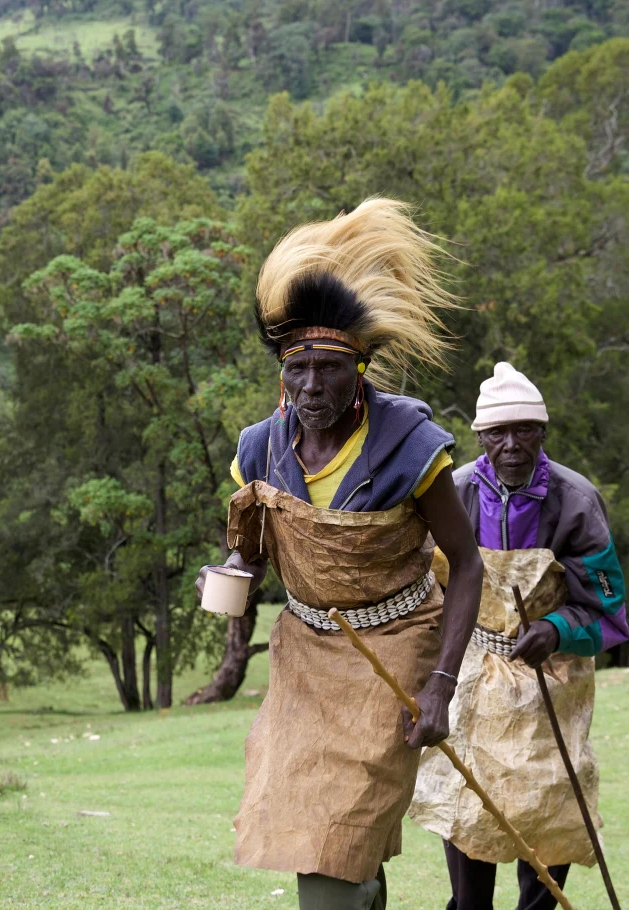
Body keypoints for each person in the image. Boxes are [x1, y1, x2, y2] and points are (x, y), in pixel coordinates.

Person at [195, 198, 484, 910]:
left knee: (331, 853)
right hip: (304, 662)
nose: (312, 387)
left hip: (393, 655)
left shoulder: (409, 446)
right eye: (298, 368)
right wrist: (234, 575)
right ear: (281, 371)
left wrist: (441, 686)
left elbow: (467, 563)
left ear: (360, 366)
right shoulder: (259, 448)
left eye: (330, 368)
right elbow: (252, 553)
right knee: (318, 835)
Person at [409, 362, 629, 910]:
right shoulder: (453, 491)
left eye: (525, 430)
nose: (511, 445)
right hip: (472, 673)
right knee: (472, 799)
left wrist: (556, 631)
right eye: (498, 433)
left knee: (549, 798)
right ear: (480, 436)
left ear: (542, 433)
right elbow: (423, 583)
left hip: (550, 679)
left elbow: (608, 611)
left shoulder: (576, 500)